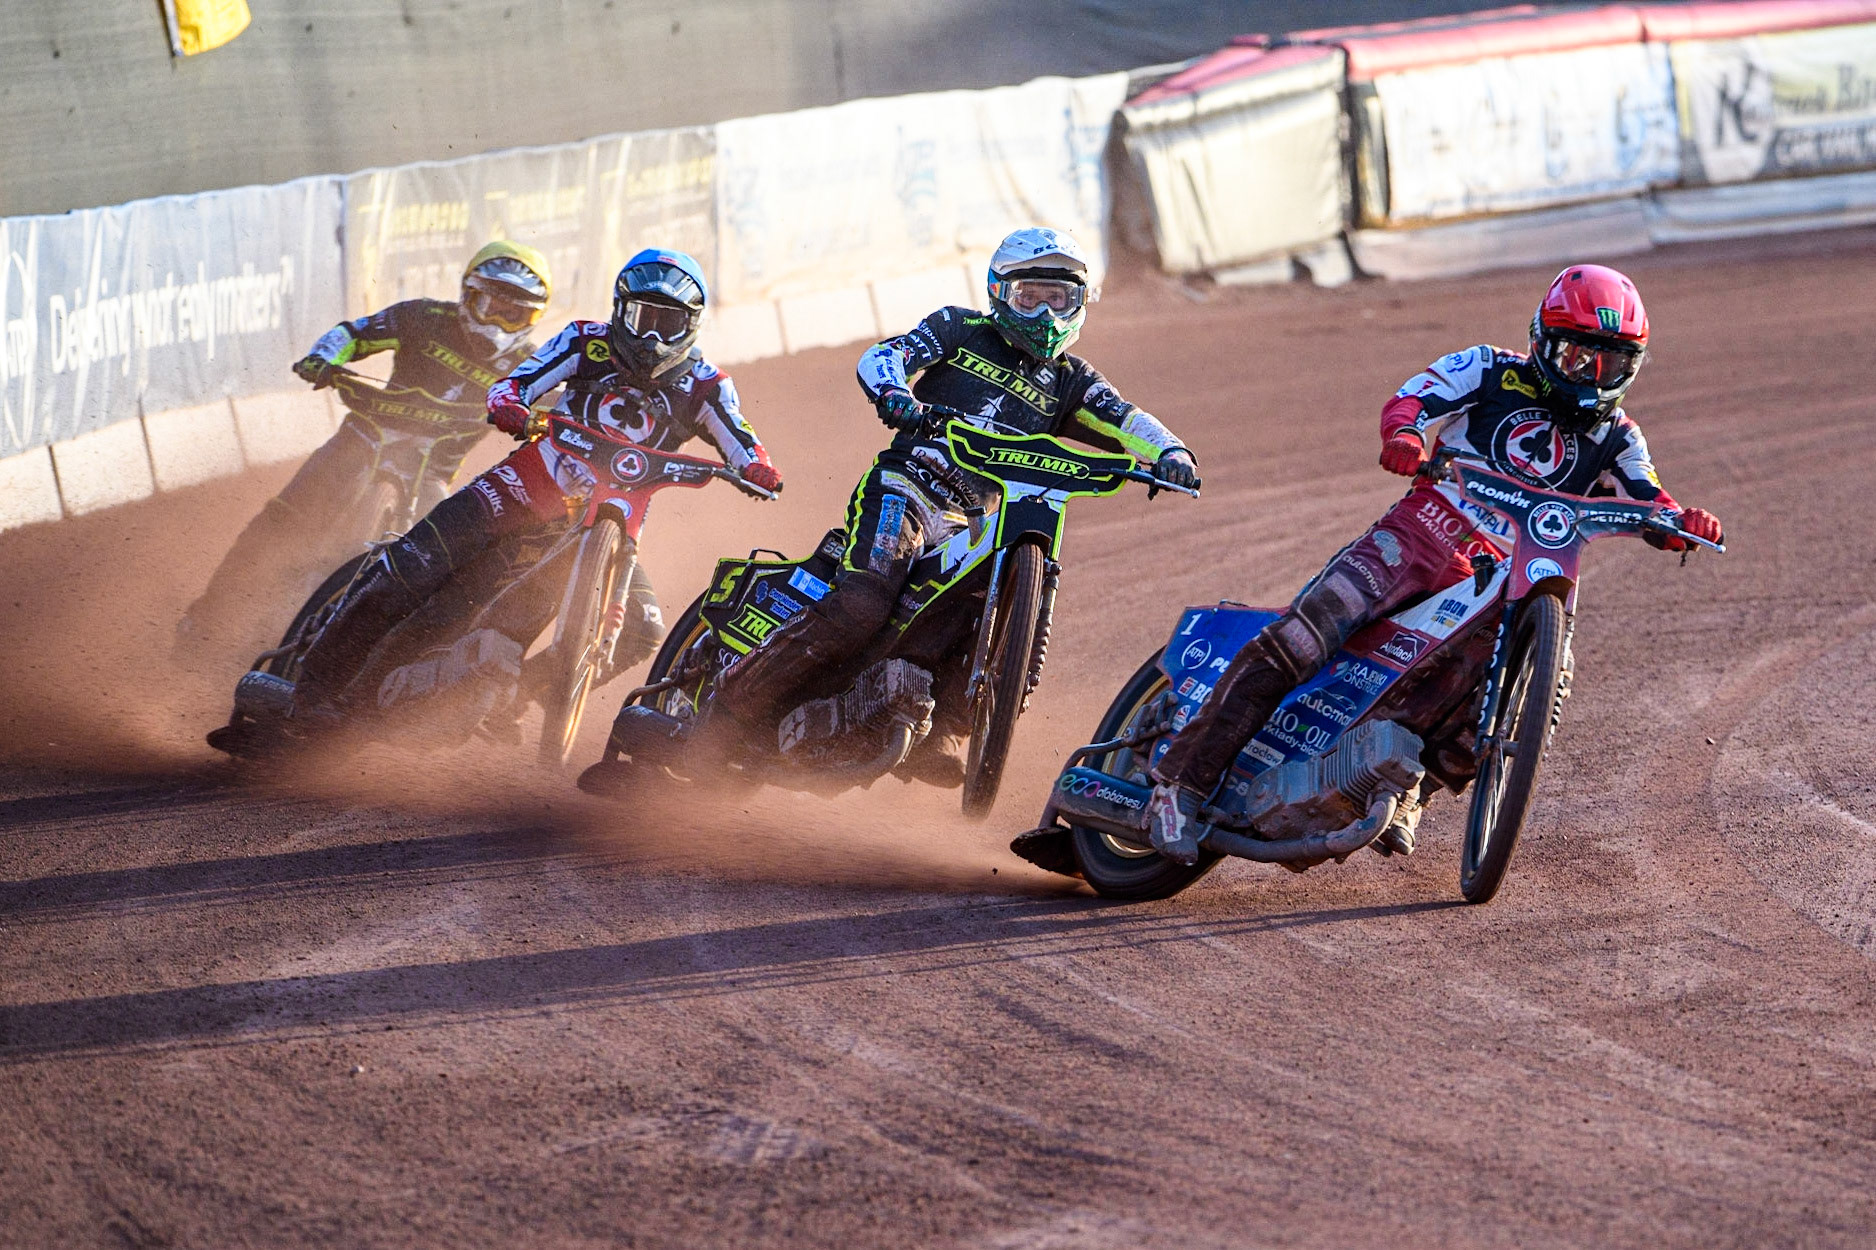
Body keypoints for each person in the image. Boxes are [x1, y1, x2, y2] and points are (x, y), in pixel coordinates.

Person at [1144, 263, 1725, 864]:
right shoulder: (1489, 368)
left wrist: (1682, 523)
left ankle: (1411, 790)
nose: (1592, 375)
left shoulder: (1620, 436)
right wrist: (1405, 436)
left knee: (1532, 690)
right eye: (1580, 356)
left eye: (1612, 362)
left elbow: (1649, 497)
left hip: (1503, 576)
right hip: (1421, 533)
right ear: (1543, 341)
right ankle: (1178, 788)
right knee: (1305, 634)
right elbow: (1414, 398)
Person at [709, 225, 1200, 785]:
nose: (1043, 315)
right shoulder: (959, 328)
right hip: (911, 485)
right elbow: (883, 357)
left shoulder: (1071, 382)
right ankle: (727, 713)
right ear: (999, 292)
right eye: (1029, 297)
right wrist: (896, 394)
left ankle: (934, 727)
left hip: (975, 521)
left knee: (977, 616)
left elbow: (1127, 419)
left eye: (1057, 299)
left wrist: (1171, 450)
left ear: (1079, 304)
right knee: (863, 604)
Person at [282, 247, 782, 725]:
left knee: (643, 630)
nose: (651, 337)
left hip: (614, 517)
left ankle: (514, 698)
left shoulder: (707, 385)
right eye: (641, 318)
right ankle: (312, 690)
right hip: (524, 484)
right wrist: (510, 405)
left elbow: (742, 441)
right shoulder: (587, 340)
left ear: (691, 326)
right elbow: (516, 383)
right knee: (414, 564)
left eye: (666, 322)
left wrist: (757, 468)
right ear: (619, 311)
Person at [180, 242, 554, 641]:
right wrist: (324, 357)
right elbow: (353, 333)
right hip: (359, 439)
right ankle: (204, 618)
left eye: (516, 315)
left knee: (441, 571)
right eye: (492, 307)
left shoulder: (530, 363)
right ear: (468, 295)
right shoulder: (423, 316)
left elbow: (559, 405)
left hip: (433, 474)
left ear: (534, 319)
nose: (500, 322)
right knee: (282, 519)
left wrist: (551, 422)